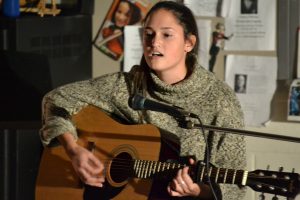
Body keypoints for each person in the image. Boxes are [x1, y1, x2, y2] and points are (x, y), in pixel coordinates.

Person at [40, 1, 246, 199]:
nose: (154, 42)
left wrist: (198, 191)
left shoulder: (220, 100)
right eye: (149, 34)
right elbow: (56, 99)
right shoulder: (127, 86)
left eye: (167, 35)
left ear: (189, 43)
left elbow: (235, 190)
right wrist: (73, 150)